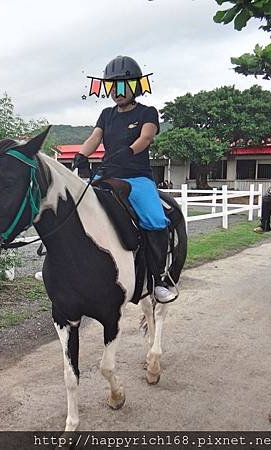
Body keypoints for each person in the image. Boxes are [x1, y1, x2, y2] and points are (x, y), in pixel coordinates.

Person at [73, 55, 175, 303]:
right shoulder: (106, 114)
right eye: (113, 86)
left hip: (137, 177)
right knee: (76, 206)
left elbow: (146, 138)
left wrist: (129, 151)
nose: (117, 91)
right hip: (107, 174)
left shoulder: (148, 112)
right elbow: (95, 138)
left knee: (155, 219)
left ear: (135, 85)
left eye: (123, 85)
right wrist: (80, 154)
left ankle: (158, 279)